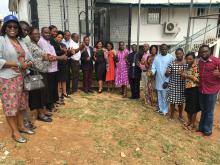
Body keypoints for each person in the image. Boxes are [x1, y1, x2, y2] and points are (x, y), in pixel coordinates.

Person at [0, 15, 34, 143]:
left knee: (21, 105)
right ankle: (14, 132)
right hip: (8, 79)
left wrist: (28, 63)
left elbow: (29, 57)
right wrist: (17, 64)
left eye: (15, 26)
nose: (12, 28)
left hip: (22, 77)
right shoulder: (1, 40)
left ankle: (21, 126)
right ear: (5, 28)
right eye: (9, 26)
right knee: (11, 106)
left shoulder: (21, 41)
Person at [38, 27, 66, 112]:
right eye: (45, 33)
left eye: (48, 33)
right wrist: (61, 57)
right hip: (48, 69)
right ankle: (49, 106)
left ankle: (52, 104)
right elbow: (49, 57)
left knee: (53, 88)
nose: (48, 34)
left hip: (53, 68)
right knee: (49, 90)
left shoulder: (48, 41)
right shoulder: (42, 42)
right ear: (41, 33)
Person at [28, 27, 53, 123]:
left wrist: (46, 57)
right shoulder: (29, 45)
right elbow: (31, 60)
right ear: (30, 35)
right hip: (36, 72)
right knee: (38, 94)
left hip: (42, 71)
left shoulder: (37, 44)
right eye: (35, 34)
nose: (37, 35)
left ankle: (43, 111)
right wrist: (44, 58)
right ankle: (40, 114)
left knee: (43, 93)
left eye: (38, 33)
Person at [197, 45, 220, 137]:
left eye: (205, 51)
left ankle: (207, 131)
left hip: (212, 90)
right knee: (203, 110)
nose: (204, 53)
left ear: (209, 51)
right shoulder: (200, 62)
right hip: (202, 89)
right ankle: (201, 128)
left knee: (209, 111)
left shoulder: (216, 61)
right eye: (202, 52)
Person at [151, 44, 175, 116]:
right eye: (162, 49)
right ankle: (161, 109)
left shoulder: (171, 57)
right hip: (158, 79)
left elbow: (172, 69)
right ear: (160, 50)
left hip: (166, 80)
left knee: (165, 96)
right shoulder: (157, 57)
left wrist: (167, 81)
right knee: (159, 95)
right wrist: (152, 72)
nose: (163, 50)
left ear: (167, 49)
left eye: (165, 49)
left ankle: (165, 110)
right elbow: (153, 67)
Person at [180, 52, 200, 131]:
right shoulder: (187, 67)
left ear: (194, 59)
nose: (188, 60)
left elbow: (197, 80)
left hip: (194, 89)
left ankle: (192, 124)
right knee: (188, 106)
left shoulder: (195, 67)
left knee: (194, 108)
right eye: (187, 59)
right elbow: (184, 79)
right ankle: (189, 121)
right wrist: (181, 74)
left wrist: (187, 75)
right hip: (187, 89)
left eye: (190, 59)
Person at [166, 48, 185, 120]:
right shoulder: (172, 63)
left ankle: (180, 115)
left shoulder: (186, 63)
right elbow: (167, 74)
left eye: (180, 53)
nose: (178, 55)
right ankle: (172, 115)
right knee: (172, 101)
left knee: (181, 101)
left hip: (182, 85)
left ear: (183, 53)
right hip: (173, 84)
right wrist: (167, 72)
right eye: (177, 54)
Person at [50, 31, 69, 101]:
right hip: (56, 64)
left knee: (64, 79)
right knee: (58, 80)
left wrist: (66, 51)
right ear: (55, 37)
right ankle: (59, 94)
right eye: (58, 37)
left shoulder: (63, 45)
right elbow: (55, 53)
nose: (60, 39)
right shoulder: (52, 44)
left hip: (64, 64)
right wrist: (62, 51)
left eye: (61, 38)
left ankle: (64, 92)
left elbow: (66, 53)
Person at [61, 30, 75, 95]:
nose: (68, 36)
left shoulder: (71, 42)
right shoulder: (61, 41)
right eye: (66, 35)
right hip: (63, 60)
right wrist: (69, 51)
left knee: (69, 75)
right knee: (65, 75)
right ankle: (64, 90)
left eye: (69, 35)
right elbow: (65, 51)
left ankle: (68, 89)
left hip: (70, 60)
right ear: (64, 35)